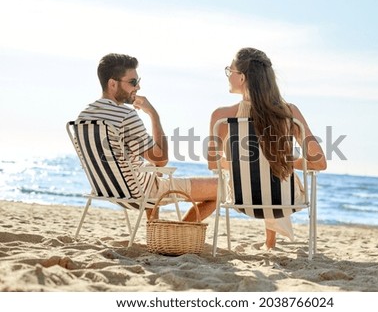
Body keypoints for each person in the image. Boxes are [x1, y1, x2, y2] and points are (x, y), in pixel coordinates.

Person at [208, 47, 327, 249]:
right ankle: (270, 242)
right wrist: (281, 160)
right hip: (284, 201)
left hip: (241, 199)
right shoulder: (289, 113)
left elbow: (213, 165)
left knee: (259, 173)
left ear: (243, 78)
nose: (228, 75)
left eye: (231, 71)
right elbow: (319, 163)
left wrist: (244, 163)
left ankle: (269, 241)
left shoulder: (221, 117)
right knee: (280, 175)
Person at [77, 53, 217, 221]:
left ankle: (154, 229)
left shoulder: (83, 116)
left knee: (151, 168)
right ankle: (172, 236)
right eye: (133, 82)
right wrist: (153, 114)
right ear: (112, 84)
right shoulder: (125, 115)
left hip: (106, 189)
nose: (138, 87)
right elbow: (161, 159)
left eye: (138, 81)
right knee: (221, 189)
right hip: (138, 192)